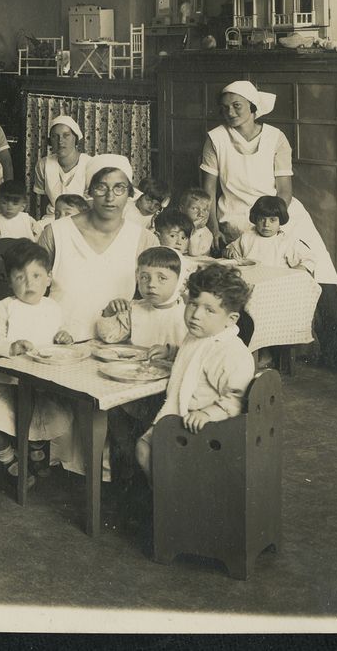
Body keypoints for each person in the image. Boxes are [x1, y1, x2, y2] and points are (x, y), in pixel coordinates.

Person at [201, 80, 337, 368]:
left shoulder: (275, 137)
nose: (231, 112)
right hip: (239, 215)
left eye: (237, 106)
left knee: (319, 265)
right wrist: (214, 228)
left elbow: (284, 189)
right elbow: (208, 191)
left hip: (281, 211)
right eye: (225, 108)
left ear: (253, 108)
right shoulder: (216, 138)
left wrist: (277, 221)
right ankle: (268, 346)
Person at [135, 264, 255, 478]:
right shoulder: (199, 336)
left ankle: (170, 498)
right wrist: (171, 352)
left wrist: (208, 413)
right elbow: (194, 357)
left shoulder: (231, 353)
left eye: (209, 310)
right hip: (180, 418)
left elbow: (236, 399)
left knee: (148, 450)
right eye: (193, 304)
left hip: (206, 429)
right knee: (144, 449)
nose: (196, 315)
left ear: (231, 319)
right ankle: (165, 496)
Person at [0, 242, 74, 486]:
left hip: (41, 383)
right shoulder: (4, 308)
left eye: (36, 276)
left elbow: (57, 333)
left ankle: (35, 447)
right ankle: (8, 458)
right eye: (20, 277)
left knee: (47, 416)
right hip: (6, 381)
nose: (29, 284)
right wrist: (11, 346)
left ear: (49, 278)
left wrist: (64, 337)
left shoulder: (52, 308)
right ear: (9, 282)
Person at [37, 154, 158, 343]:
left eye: (119, 188)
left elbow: (150, 301)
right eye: (101, 187)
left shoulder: (144, 240)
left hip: (115, 348)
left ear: (130, 194)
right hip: (57, 343)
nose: (110, 197)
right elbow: (32, 291)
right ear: (89, 191)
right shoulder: (56, 233)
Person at [96, 245, 190, 356]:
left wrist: (170, 352)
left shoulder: (188, 314)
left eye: (162, 278)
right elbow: (110, 337)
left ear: (181, 283)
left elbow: (197, 351)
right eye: (144, 277)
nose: (151, 284)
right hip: (136, 369)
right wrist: (109, 312)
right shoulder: (134, 309)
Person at [226, 196, 316, 273]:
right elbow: (231, 250)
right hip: (250, 279)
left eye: (272, 220)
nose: (266, 224)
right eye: (262, 219)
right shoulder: (247, 237)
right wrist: (228, 252)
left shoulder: (286, 241)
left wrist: (292, 274)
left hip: (277, 283)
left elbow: (309, 260)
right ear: (255, 219)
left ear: (280, 221)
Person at [32, 114, 89, 216]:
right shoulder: (43, 164)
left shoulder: (89, 164)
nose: (60, 141)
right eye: (55, 136)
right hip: (53, 217)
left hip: (81, 220)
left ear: (75, 138)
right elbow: (43, 200)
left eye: (66, 135)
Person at [0, 179, 40, 260]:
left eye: (15, 203)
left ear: (23, 205)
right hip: (4, 264)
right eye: (4, 202)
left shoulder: (28, 221)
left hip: (28, 261)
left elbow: (40, 237)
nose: (9, 207)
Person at [179, 187, 215, 257]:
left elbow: (195, 253)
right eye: (194, 208)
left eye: (205, 210)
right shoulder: (175, 228)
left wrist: (195, 231)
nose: (201, 214)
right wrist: (193, 229)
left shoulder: (206, 233)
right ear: (182, 209)